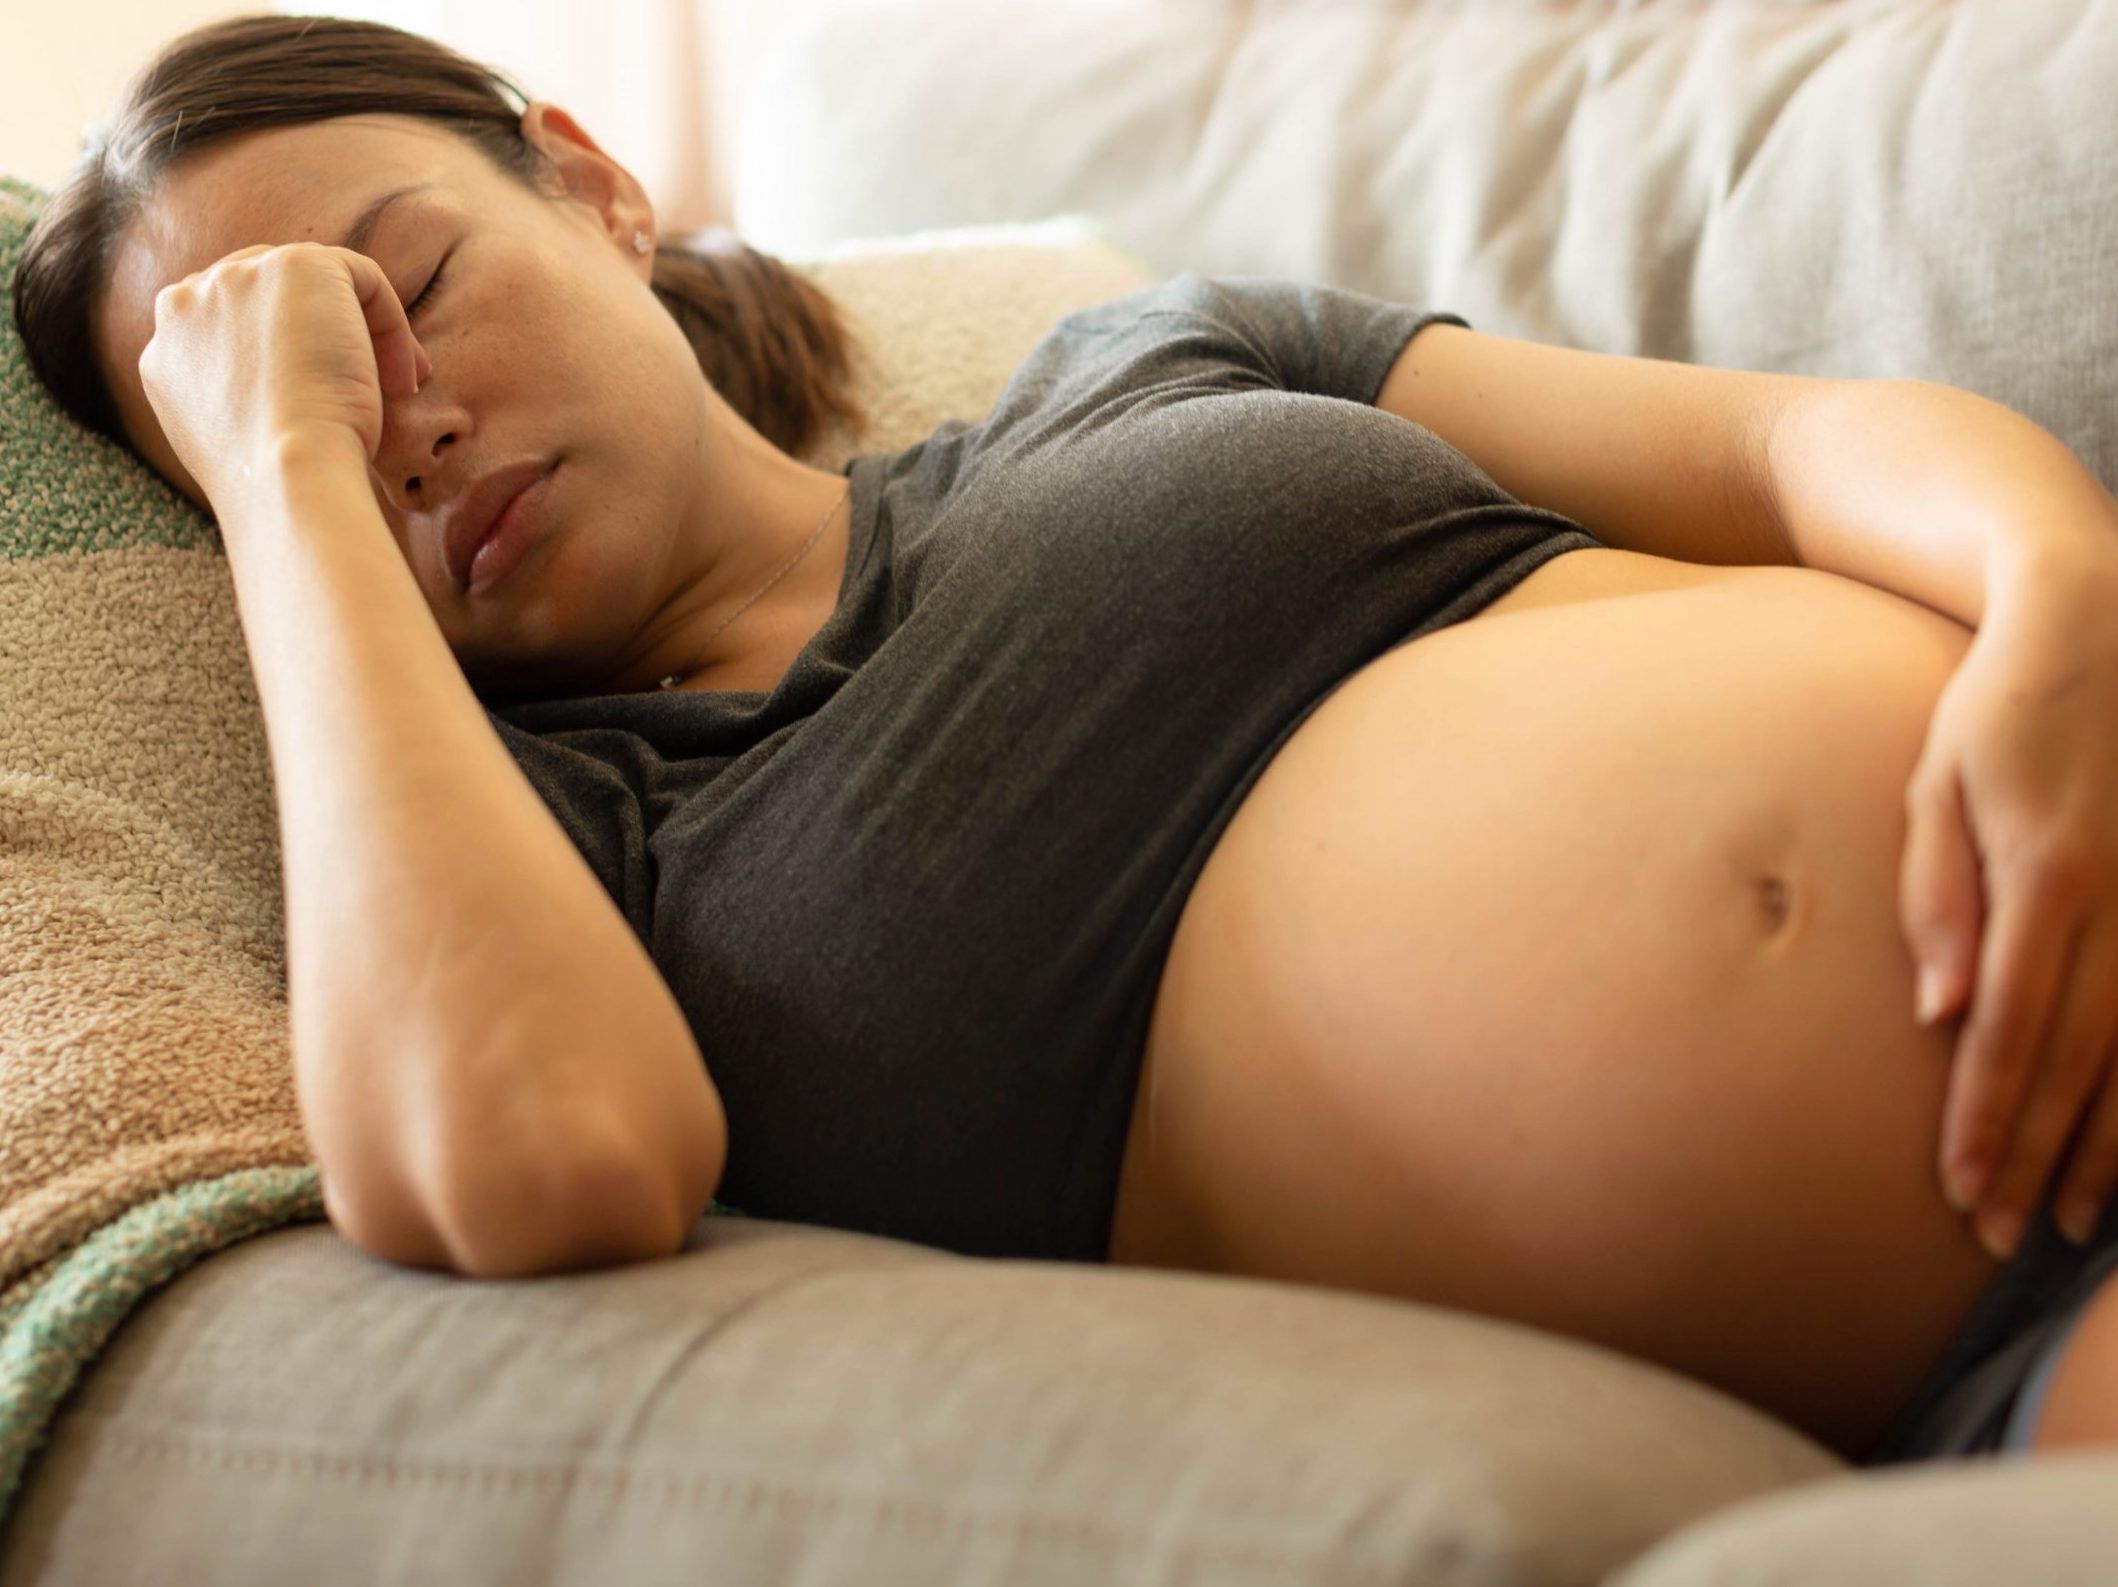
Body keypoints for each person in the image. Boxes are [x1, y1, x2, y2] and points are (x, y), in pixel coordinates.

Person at [14, 11, 2118, 1470]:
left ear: (591, 187)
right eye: (316, 410)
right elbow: (531, 1161)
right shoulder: (559, 850)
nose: (412, 424)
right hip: (1990, 1332)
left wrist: (2061, 604)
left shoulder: (1150, 358)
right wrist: (289, 475)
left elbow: (1783, 436)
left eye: (409, 294)